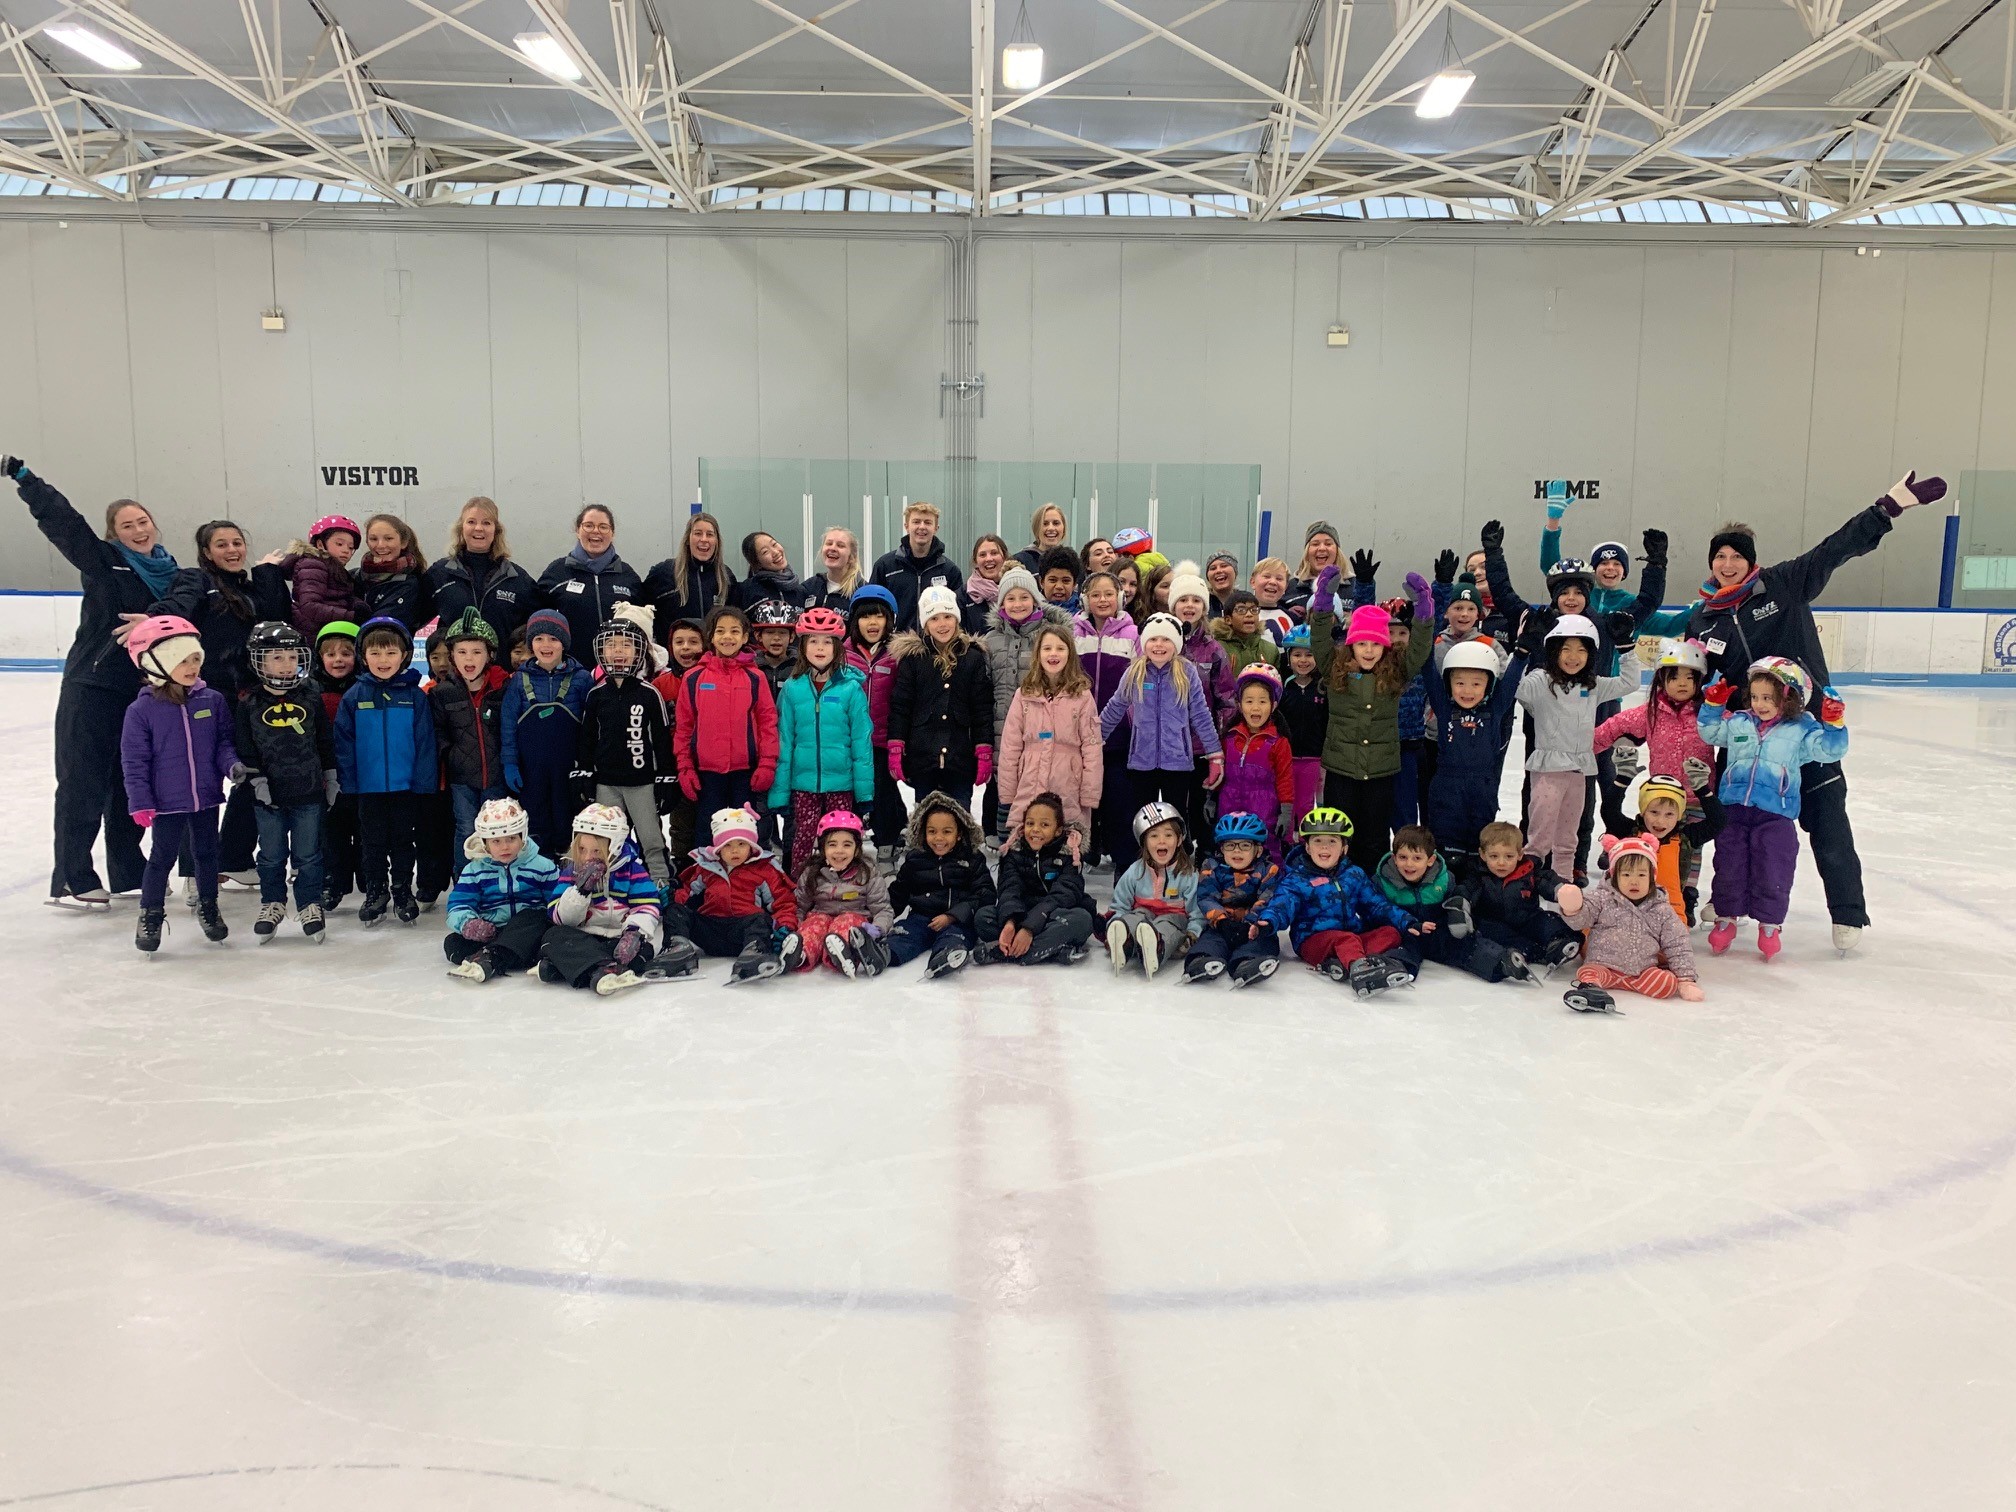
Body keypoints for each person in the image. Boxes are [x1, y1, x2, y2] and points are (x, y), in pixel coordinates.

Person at [1667, 473, 1943, 951]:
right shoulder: (1703, 617)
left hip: (1804, 731)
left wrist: (1889, 507)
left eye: (1736, 556)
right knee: (1735, 829)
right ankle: (1729, 899)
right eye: (1720, 556)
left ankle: (1848, 911)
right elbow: (1702, 681)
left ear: (1750, 561)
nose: (1727, 564)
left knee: (1827, 820)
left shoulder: (1784, 585)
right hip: (1749, 739)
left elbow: (1835, 548)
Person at [4, 456, 169, 907]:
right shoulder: (104, 562)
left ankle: (128, 870)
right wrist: (27, 480)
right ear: (115, 534)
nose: (139, 530)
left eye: (143, 521)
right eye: (128, 525)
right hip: (93, 687)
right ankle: (75, 876)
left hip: (143, 693)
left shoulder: (171, 574)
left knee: (130, 783)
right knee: (82, 782)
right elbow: (65, 524)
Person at [151, 518, 294, 884]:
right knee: (199, 779)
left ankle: (231, 856)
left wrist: (265, 573)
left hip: (247, 697)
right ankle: (192, 871)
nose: (232, 550)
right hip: (205, 696)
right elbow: (176, 608)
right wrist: (154, 620)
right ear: (206, 553)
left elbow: (275, 615)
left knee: (251, 773)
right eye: (221, 545)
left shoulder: (248, 587)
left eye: (236, 543)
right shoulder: (196, 580)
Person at [1697, 657, 1850, 961]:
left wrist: (1834, 725)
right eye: (1755, 696)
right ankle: (1726, 918)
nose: (1760, 704)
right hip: (1734, 808)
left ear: (1789, 697)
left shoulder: (1801, 729)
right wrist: (1712, 707)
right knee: (1729, 865)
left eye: (1768, 697)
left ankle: (1770, 925)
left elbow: (1831, 749)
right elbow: (1710, 733)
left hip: (1776, 814)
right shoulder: (1739, 722)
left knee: (1773, 868)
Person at [119, 616, 236, 952]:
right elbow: (134, 761)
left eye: (195, 658)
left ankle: (209, 907)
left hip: (205, 797)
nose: (191, 667)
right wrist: (140, 801)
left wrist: (233, 766)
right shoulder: (142, 709)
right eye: (181, 660)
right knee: (162, 858)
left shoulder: (211, 700)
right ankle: (151, 913)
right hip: (166, 800)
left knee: (207, 854)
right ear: (159, 665)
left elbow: (223, 744)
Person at [1309, 575, 1435, 874]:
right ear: (1351, 644)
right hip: (1341, 770)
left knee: (1374, 836)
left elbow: (1419, 648)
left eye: (1375, 644)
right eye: (1361, 643)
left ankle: (1372, 889)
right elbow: (1319, 641)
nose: (1368, 650)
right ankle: (1339, 886)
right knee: (1339, 833)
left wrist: (1424, 611)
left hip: (1380, 772)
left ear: (1385, 645)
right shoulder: (1335, 669)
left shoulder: (1396, 672)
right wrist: (1324, 603)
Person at [1516, 616, 1640, 882]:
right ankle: (1526, 886)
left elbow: (1629, 683)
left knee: (1567, 837)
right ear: (1554, 651)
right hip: (1548, 771)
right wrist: (1526, 651)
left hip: (1578, 772)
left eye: (1581, 650)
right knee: (1539, 836)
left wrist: (1626, 649)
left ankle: (1564, 884)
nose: (1574, 657)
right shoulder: (1541, 680)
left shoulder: (1591, 685)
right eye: (1566, 649)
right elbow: (1518, 690)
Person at [234, 621, 334, 944]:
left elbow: (325, 741)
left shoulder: (311, 696)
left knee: (308, 855)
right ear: (259, 661)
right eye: (277, 657)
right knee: (271, 854)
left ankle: (309, 903)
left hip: (307, 792)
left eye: (291, 657)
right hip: (269, 797)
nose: (286, 664)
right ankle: (272, 902)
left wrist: (330, 777)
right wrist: (256, 782)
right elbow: (246, 749)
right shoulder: (249, 703)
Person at [336, 616, 438, 928]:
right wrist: (350, 781)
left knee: (403, 842)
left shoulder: (415, 697)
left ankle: (403, 891)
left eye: (391, 653)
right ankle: (376, 892)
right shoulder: (354, 696)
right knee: (372, 842)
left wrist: (423, 782)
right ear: (363, 657)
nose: (383, 660)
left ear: (405, 655)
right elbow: (344, 742)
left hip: (405, 787)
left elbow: (425, 742)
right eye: (376, 653)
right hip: (368, 788)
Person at [1253, 807, 1420, 997]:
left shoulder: (1353, 874)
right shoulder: (1297, 880)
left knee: (1390, 933)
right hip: (1312, 941)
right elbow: (1282, 905)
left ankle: (1345, 961)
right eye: (1318, 841)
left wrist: (1406, 921)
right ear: (1307, 847)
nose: (1324, 847)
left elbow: (1376, 904)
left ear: (1344, 848)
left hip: (1350, 936)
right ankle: (1361, 971)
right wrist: (1269, 921)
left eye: (1332, 841)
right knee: (1346, 940)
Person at [768, 606, 874, 870]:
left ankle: (841, 891)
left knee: (839, 839)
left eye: (827, 641)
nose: (820, 647)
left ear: (838, 647)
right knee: (803, 839)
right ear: (802, 645)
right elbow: (784, 742)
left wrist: (864, 792)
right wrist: (779, 794)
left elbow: (862, 743)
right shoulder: (793, 688)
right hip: (803, 785)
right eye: (813, 640)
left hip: (841, 783)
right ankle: (800, 890)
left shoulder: (851, 689)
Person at [576, 614, 675, 890]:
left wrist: (666, 778)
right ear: (600, 651)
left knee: (651, 838)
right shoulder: (596, 695)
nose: (618, 651)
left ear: (639, 652)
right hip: (606, 783)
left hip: (641, 783)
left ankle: (661, 884)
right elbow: (587, 739)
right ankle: (607, 885)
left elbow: (661, 740)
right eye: (611, 645)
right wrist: (583, 773)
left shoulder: (649, 693)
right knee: (605, 839)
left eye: (625, 645)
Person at [1099, 613, 1223, 826]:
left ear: (1176, 644)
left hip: (1177, 762)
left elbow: (1201, 714)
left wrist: (1214, 754)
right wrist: (1095, 738)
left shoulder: (1187, 672)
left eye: (1166, 639)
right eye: (1153, 639)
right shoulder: (1134, 672)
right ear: (1144, 642)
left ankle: (1180, 855)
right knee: (1144, 817)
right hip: (1141, 761)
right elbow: (1115, 707)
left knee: (1176, 815)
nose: (1159, 645)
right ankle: (1146, 857)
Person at [1556, 834, 1703, 1013]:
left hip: (1642, 971)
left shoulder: (1660, 908)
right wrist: (1573, 908)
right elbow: (1581, 920)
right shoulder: (1602, 898)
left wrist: (1686, 979)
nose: (1634, 881)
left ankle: (1638, 983)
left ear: (1652, 876)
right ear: (1614, 876)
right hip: (1604, 967)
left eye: (1641, 874)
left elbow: (1678, 943)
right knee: (1588, 973)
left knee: (1667, 984)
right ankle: (1592, 989)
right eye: (1626, 874)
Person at [539, 803, 674, 995]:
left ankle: (577, 967)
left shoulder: (632, 871)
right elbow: (559, 918)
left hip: (619, 939)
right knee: (552, 938)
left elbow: (647, 906)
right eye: (583, 849)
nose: (587, 857)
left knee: (644, 953)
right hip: (586, 938)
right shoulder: (572, 872)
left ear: (615, 847)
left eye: (596, 851)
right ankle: (605, 968)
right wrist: (580, 891)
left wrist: (634, 933)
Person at [887, 585, 994, 808]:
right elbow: (901, 706)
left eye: (947, 616)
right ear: (926, 624)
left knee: (959, 814)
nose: (942, 624)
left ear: (957, 619)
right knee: (926, 815)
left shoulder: (972, 658)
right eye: (934, 618)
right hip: (922, 757)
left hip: (960, 757)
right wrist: (896, 745)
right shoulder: (913, 659)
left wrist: (983, 748)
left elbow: (981, 708)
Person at [672, 603, 780, 822]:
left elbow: (768, 722)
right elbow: (684, 727)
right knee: (708, 831)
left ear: (744, 637)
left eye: (734, 631)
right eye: (720, 631)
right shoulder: (694, 678)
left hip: (746, 773)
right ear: (710, 637)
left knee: (747, 832)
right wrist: (685, 768)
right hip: (707, 774)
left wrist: (767, 763)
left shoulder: (755, 678)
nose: (727, 637)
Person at [668, 805, 798, 984]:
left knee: (760, 920)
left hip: (743, 932)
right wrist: (670, 899)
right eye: (727, 845)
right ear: (718, 848)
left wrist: (785, 926)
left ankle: (755, 952)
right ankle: (677, 948)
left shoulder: (764, 870)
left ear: (751, 846)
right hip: (711, 930)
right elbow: (685, 893)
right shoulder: (706, 867)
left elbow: (782, 902)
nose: (734, 850)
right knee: (676, 911)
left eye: (741, 844)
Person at [996, 623, 1103, 841]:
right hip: (1030, 780)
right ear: (1038, 654)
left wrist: (1089, 793)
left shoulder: (1082, 696)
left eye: (1060, 648)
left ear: (1069, 654)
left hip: (1068, 783)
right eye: (1047, 648)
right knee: (1029, 837)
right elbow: (1010, 745)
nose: (1053, 654)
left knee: (1067, 837)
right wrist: (1008, 791)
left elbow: (1092, 747)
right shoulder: (1024, 694)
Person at [501, 608, 592, 860]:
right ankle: (539, 868)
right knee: (536, 820)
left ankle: (569, 871)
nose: (546, 645)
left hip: (569, 770)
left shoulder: (582, 679)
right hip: (531, 771)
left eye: (553, 638)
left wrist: (587, 766)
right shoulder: (519, 681)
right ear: (531, 645)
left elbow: (592, 726)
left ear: (564, 643)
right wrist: (509, 763)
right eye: (539, 639)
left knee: (568, 819)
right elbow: (508, 725)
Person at [1421, 639, 1525, 857]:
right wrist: (1425, 631)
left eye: (1476, 684)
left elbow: (1511, 681)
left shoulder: (1495, 709)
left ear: (1489, 685)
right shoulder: (1444, 707)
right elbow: (1428, 668)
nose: (1467, 691)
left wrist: (1522, 653)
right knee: (1445, 843)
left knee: (1480, 843)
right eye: (1460, 683)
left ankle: (1476, 885)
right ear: (1449, 684)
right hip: (1447, 789)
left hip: (1483, 789)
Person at [443, 797, 559, 983]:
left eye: (511, 839)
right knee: (453, 943)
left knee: (534, 918)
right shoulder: (474, 870)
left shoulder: (542, 866)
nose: (505, 846)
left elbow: (556, 901)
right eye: (496, 841)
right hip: (493, 931)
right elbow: (458, 905)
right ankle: (511, 955)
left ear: (523, 836)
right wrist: (469, 924)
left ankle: (493, 957)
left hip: (528, 930)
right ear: (485, 843)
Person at [1443, 821, 1580, 977]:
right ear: (1482, 855)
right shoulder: (1478, 875)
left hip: (1527, 918)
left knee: (1548, 920)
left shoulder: (1529, 871)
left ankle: (1559, 941)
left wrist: (1564, 891)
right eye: (1494, 856)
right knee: (1494, 933)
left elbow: (1548, 881)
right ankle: (1530, 952)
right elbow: (1465, 890)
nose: (1501, 862)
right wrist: (1458, 908)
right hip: (1494, 922)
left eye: (1509, 856)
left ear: (1520, 855)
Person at [971, 792, 1093, 966]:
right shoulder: (1014, 853)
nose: (1035, 829)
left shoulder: (1069, 855)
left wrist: (1029, 928)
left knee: (1082, 919)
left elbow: (1065, 895)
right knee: (983, 917)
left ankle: (1007, 952)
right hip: (1022, 913)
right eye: (1030, 823)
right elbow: (1009, 890)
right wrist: (1010, 922)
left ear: (1058, 830)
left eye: (1044, 825)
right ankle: (1051, 950)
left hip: (1054, 916)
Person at [430, 609, 510, 870]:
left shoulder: (503, 688)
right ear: (452, 655)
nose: (469, 659)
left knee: (497, 830)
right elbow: (438, 733)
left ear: (490, 655)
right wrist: (450, 756)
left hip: (496, 776)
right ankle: (464, 881)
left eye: (476, 651)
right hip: (461, 778)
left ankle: (495, 882)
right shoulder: (443, 693)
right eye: (462, 651)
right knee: (465, 827)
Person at [887, 791, 995, 977]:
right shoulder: (915, 859)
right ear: (923, 832)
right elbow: (899, 893)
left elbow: (985, 894)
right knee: (905, 935)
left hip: (958, 921)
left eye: (947, 832)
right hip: (921, 917)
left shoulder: (971, 859)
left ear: (959, 834)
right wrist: (880, 917)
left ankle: (947, 957)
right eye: (932, 831)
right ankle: (885, 954)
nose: (938, 838)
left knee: (954, 937)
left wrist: (953, 915)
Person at [1073, 570, 1139, 867]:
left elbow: (1139, 681)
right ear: (1086, 599)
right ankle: (1085, 852)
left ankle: (1122, 859)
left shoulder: (1131, 634)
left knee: (1117, 799)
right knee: (1084, 798)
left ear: (1120, 598)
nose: (1103, 600)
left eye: (1109, 594)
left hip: (1119, 736)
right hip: (1081, 734)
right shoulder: (1074, 632)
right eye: (1096, 594)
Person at [779, 809, 894, 977]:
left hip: (854, 917)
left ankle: (844, 955)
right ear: (822, 848)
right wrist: (792, 925)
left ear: (856, 849)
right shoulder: (813, 872)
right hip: (821, 915)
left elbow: (882, 908)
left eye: (847, 845)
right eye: (832, 844)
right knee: (813, 925)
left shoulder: (867, 873)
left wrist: (877, 928)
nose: (839, 851)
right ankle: (800, 955)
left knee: (846, 922)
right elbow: (799, 904)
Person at [1105, 800, 1203, 979]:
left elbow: (1196, 912)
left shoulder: (1188, 875)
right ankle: (1124, 942)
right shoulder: (1135, 871)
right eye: (1154, 836)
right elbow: (1120, 904)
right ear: (1144, 841)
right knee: (1137, 916)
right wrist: (1117, 920)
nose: (1161, 841)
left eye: (1168, 835)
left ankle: (1157, 947)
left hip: (1174, 922)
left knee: (1167, 923)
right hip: (1143, 916)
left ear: (1179, 839)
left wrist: (1192, 934)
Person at [1186, 811, 1283, 986]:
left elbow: (1268, 899)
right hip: (1223, 925)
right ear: (1221, 848)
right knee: (1210, 940)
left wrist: (1251, 922)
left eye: (1245, 845)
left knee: (1260, 942)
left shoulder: (1269, 871)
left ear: (1258, 849)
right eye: (1230, 845)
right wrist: (1222, 922)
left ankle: (1246, 963)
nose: (1237, 851)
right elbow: (1206, 896)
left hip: (1253, 926)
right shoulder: (1212, 868)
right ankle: (1202, 961)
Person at [425, 497, 538, 644]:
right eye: (471, 522)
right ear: (461, 528)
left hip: (501, 666)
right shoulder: (439, 574)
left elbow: (537, 625)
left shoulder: (516, 578)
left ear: (496, 530)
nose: (479, 528)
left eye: (486, 522)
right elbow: (413, 617)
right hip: (453, 666)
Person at [844, 585, 904, 856]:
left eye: (879, 616)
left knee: (884, 793)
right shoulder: (842, 653)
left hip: (882, 739)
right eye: (865, 616)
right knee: (851, 793)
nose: (872, 623)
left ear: (889, 619)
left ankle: (887, 843)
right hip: (849, 741)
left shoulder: (897, 654)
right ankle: (848, 844)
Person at [535, 504, 643, 654]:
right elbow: (538, 622)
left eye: (603, 527)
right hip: (571, 669)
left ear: (612, 533)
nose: (596, 531)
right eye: (588, 525)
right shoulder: (556, 572)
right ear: (577, 530)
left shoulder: (628, 576)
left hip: (618, 669)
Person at [1623, 771, 1723, 926]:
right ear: (1643, 811)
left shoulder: (1686, 838)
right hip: (1628, 911)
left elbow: (1719, 821)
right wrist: (1622, 779)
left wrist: (1702, 789)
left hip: (1669, 914)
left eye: (1669, 814)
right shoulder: (1629, 832)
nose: (1660, 821)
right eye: (1654, 812)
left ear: (1679, 815)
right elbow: (1609, 812)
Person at [1216, 663, 1296, 856]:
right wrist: (1211, 798)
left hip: (1264, 805)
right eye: (1249, 701)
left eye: (1262, 701)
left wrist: (1286, 813)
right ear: (1239, 704)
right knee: (1230, 840)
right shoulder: (1229, 737)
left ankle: (1268, 879)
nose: (1256, 707)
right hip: (1229, 801)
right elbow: (1219, 772)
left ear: (1273, 705)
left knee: (1265, 845)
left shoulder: (1278, 742)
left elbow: (1285, 779)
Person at [313, 621, 361, 911]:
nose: (339, 659)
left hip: (361, 772)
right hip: (327, 773)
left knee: (365, 827)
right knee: (331, 831)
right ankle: (333, 881)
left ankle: (370, 879)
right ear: (320, 657)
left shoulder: (365, 687)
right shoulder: (310, 691)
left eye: (346, 652)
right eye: (331, 654)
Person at [642, 511, 736, 642]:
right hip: (673, 659)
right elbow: (642, 613)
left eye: (709, 534)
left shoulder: (726, 577)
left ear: (717, 541)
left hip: (714, 659)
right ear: (687, 539)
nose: (704, 539)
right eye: (698, 533)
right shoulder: (663, 573)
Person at [872, 502, 965, 630]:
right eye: (916, 522)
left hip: (935, 646)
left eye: (928, 522)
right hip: (895, 646)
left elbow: (957, 615)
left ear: (936, 528)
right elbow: (872, 609)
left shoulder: (950, 571)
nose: (922, 527)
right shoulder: (885, 566)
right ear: (906, 526)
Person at [1276, 626, 1327, 830]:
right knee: (1288, 802)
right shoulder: (1282, 688)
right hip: (1288, 757)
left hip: (1315, 757)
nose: (1303, 660)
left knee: (1307, 804)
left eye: (1309, 654)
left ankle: (1305, 842)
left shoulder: (1323, 688)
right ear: (1288, 657)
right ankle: (1287, 841)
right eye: (1297, 654)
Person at [283, 515, 365, 639]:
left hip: (330, 633)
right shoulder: (313, 565)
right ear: (320, 544)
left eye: (351, 547)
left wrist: (357, 604)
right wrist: (351, 616)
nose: (346, 550)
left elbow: (340, 596)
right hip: (313, 636)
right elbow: (309, 606)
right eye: (339, 544)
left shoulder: (335, 569)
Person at [354, 513, 432, 631]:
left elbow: (382, 626)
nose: (380, 545)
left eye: (388, 538)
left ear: (403, 542)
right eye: (374, 539)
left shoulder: (410, 584)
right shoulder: (354, 577)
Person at [728, 531, 800, 611]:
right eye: (765, 552)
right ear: (757, 563)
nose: (775, 552)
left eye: (774, 544)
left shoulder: (800, 591)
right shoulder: (747, 592)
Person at [799, 526, 864, 612]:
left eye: (840, 545)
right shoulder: (810, 587)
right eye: (829, 543)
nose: (832, 548)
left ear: (852, 557)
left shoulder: (862, 592)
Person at [1283, 520, 1340, 618]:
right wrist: (1287, 614)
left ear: (1337, 550)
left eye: (1328, 544)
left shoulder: (1353, 586)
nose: (1322, 548)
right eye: (1315, 544)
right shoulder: (1290, 587)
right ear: (1307, 551)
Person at [1209, 590, 1277, 670]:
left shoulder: (1270, 650)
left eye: (1254, 610)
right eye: (1241, 610)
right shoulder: (1217, 648)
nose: (1249, 614)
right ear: (1228, 620)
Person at [963, 533, 1010, 634]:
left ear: (1004, 557)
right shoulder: (962, 596)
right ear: (975, 561)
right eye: (982, 555)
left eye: (994, 553)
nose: (989, 559)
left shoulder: (1017, 589)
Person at [1015, 503, 1072, 574]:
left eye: (1056, 523)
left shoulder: (1072, 562)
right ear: (1036, 528)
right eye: (1045, 524)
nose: (1051, 528)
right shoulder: (1020, 561)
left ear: (1064, 528)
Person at [1249, 557, 1295, 645]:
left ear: (1286, 587)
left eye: (1279, 579)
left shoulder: (1293, 619)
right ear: (1252, 582)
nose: (1273, 582)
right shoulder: (1240, 615)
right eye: (1266, 576)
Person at [1037, 547, 1083, 616]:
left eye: (1066, 581)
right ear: (1041, 582)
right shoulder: (1030, 615)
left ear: (1074, 584)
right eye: (1053, 580)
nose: (1059, 586)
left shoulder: (1083, 617)